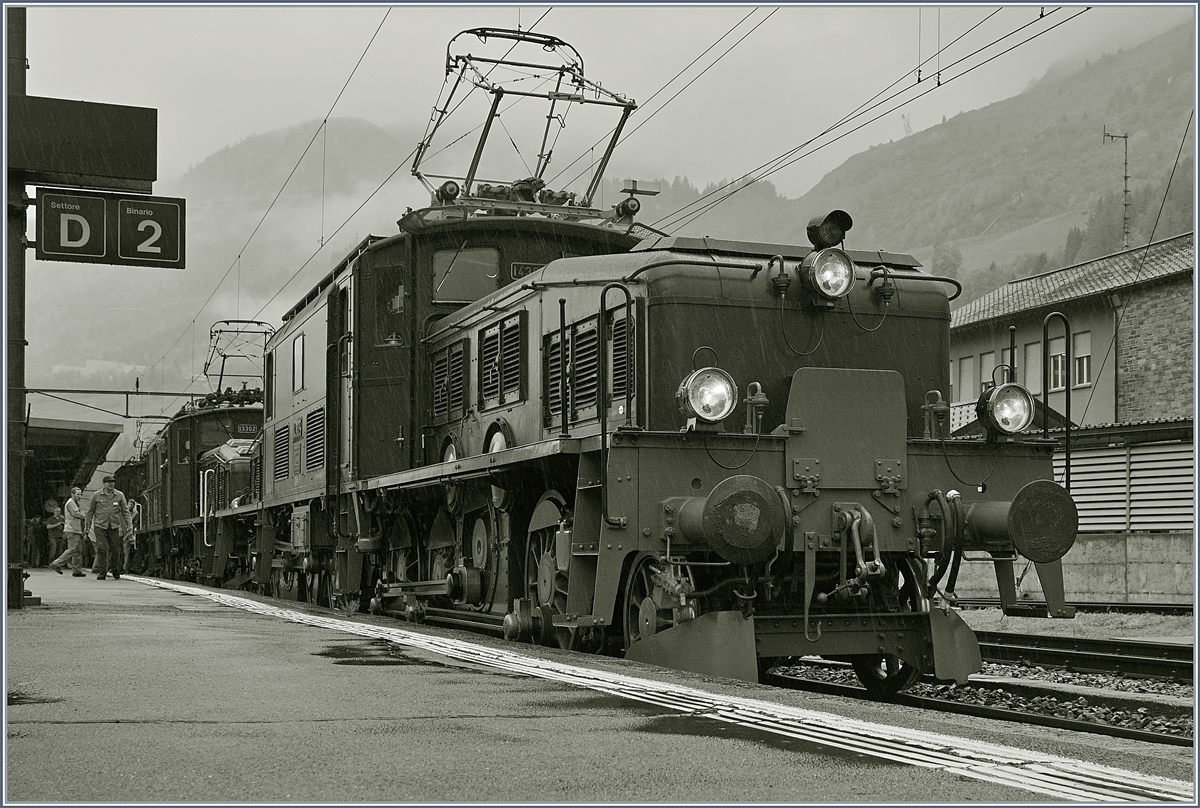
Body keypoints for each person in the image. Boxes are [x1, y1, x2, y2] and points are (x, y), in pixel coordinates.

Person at [83, 475, 132, 581]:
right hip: (100, 526)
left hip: (113, 526)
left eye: (113, 482)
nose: (111, 484)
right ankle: (102, 571)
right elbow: (90, 512)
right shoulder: (96, 495)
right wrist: (87, 526)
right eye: (109, 482)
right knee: (102, 548)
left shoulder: (119, 495)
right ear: (104, 483)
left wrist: (129, 525)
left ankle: (114, 568)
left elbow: (125, 511)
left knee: (115, 549)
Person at [49, 487, 88, 577]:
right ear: (72, 494)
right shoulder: (71, 503)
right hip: (72, 529)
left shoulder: (74, 503)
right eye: (78, 494)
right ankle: (57, 563)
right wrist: (86, 515)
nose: (80, 496)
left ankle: (77, 570)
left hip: (75, 529)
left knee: (78, 551)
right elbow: (76, 514)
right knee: (72, 549)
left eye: (80, 494)